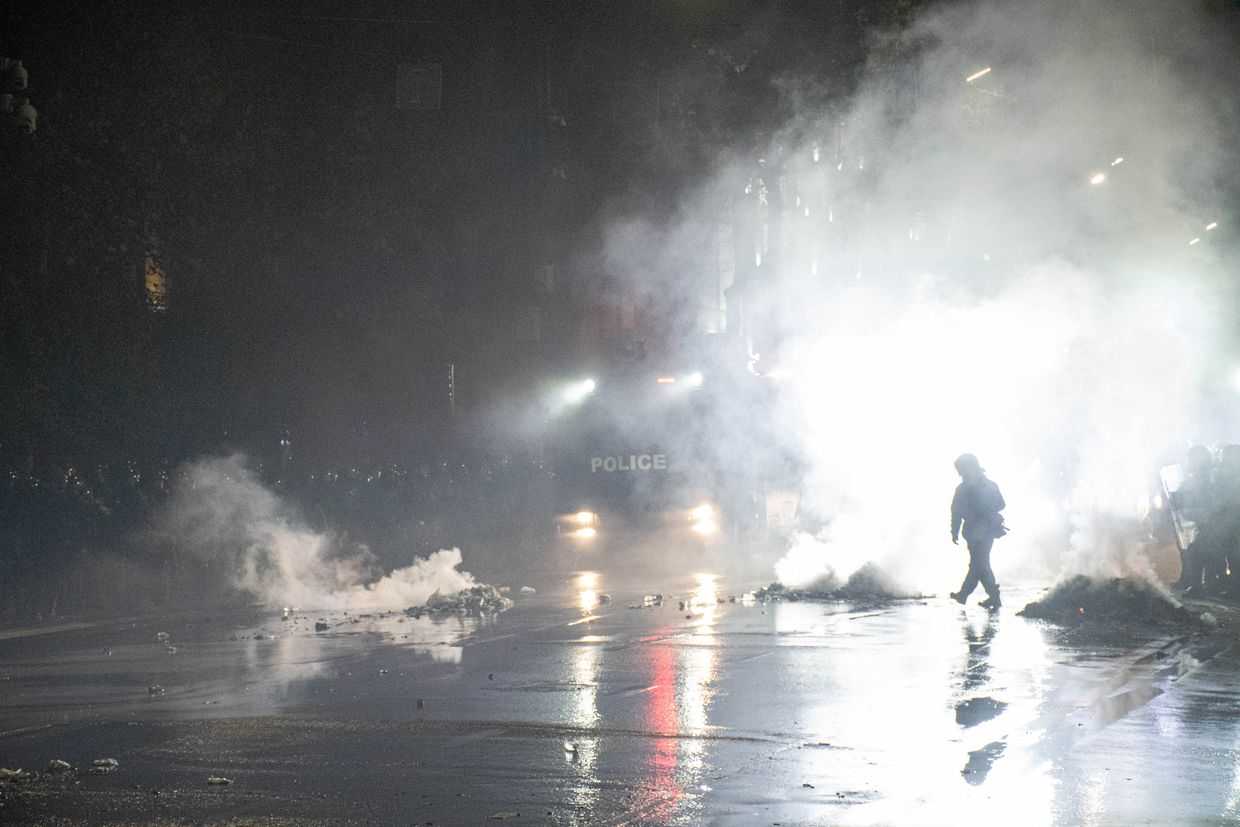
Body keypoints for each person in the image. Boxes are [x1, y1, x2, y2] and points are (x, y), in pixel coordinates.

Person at [949, 453, 1007, 609]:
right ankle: (992, 597)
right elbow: (956, 511)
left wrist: (955, 531)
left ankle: (965, 595)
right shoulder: (985, 485)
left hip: (982, 531)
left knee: (978, 565)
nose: (960, 473)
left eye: (961, 469)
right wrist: (954, 531)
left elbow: (1001, 504)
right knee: (980, 565)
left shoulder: (966, 489)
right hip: (979, 532)